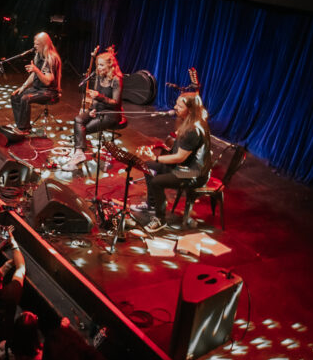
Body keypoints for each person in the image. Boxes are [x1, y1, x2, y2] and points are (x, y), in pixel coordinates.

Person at [133, 92, 211, 232]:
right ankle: (152, 204)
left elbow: (180, 157)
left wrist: (156, 158)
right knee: (148, 166)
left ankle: (160, 219)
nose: (175, 107)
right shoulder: (189, 122)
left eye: (180, 106)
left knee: (157, 181)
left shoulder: (193, 130)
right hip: (184, 167)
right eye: (176, 104)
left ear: (190, 110)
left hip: (193, 173)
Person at [63, 48, 124, 171]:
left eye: (101, 65)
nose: (99, 68)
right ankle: (79, 152)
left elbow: (115, 103)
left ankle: (79, 153)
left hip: (111, 113)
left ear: (109, 65)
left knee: (83, 129)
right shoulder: (99, 76)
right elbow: (95, 97)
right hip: (98, 109)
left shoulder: (116, 79)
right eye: (98, 65)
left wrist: (100, 97)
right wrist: (92, 109)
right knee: (78, 119)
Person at [10, 32, 62, 134]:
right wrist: (23, 87)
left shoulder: (51, 58)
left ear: (44, 45)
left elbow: (47, 82)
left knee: (25, 98)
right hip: (38, 89)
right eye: (34, 43)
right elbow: (34, 74)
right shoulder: (39, 55)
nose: (34, 46)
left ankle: (23, 129)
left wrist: (36, 70)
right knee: (15, 96)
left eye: (37, 44)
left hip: (50, 92)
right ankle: (21, 124)